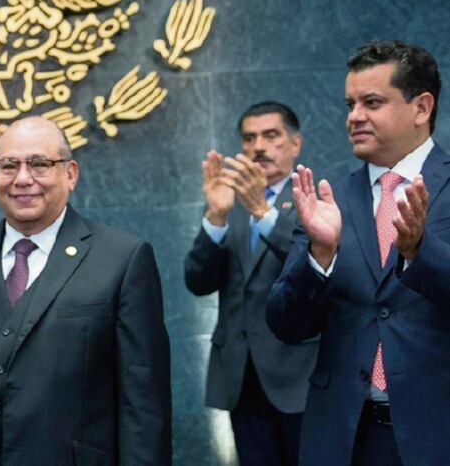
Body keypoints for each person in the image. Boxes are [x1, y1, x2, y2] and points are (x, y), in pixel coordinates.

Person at [0, 116, 172, 465]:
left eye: (39, 164)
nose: (22, 179)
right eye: (8, 166)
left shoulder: (123, 260)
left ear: (71, 173)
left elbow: (144, 407)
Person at [267, 40, 450, 465]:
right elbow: (285, 325)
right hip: (344, 437)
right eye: (350, 104)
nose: (354, 117)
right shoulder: (329, 201)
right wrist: (320, 254)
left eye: (372, 102)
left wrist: (420, 253)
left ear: (421, 108)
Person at [185, 102, 317, 465]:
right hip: (241, 377)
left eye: (271, 136)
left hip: (300, 377)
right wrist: (215, 216)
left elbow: (311, 268)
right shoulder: (228, 204)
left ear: (295, 144)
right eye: (249, 138)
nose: (258, 147)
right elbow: (197, 282)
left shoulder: (314, 199)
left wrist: (263, 211)